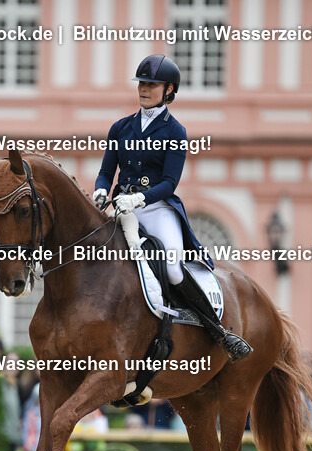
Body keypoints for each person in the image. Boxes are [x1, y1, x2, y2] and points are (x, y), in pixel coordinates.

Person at [92, 54, 251, 362]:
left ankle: (218, 331)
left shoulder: (174, 131)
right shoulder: (121, 128)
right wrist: (101, 189)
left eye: (151, 84)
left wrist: (140, 198)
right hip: (122, 207)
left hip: (157, 208)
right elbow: (106, 170)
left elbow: (169, 182)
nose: (143, 89)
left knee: (173, 269)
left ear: (168, 90)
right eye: (141, 83)